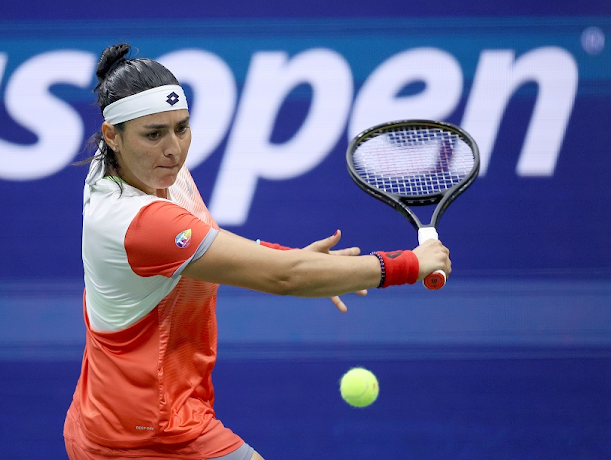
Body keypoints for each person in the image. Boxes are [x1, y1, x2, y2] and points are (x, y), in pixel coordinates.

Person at [63, 43, 451, 460]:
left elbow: (209, 243)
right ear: (111, 135)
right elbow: (283, 277)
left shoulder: (140, 169)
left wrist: (298, 259)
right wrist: (408, 264)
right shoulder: (138, 221)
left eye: (182, 127)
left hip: (116, 413)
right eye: (154, 134)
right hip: (146, 431)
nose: (174, 148)